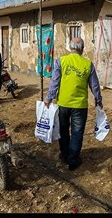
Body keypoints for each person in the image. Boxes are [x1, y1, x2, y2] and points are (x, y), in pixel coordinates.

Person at [44, 37, 103, 171]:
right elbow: (94, 86)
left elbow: (54, 82)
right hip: (80, 106)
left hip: (63, 104)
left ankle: (65, 155)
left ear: (70, 48)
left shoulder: (61, 61)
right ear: (82, 48)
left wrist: (49, 98)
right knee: (77, 133)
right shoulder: (88, 64)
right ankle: (73, 161)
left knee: (63, 130)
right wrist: (98, 100)